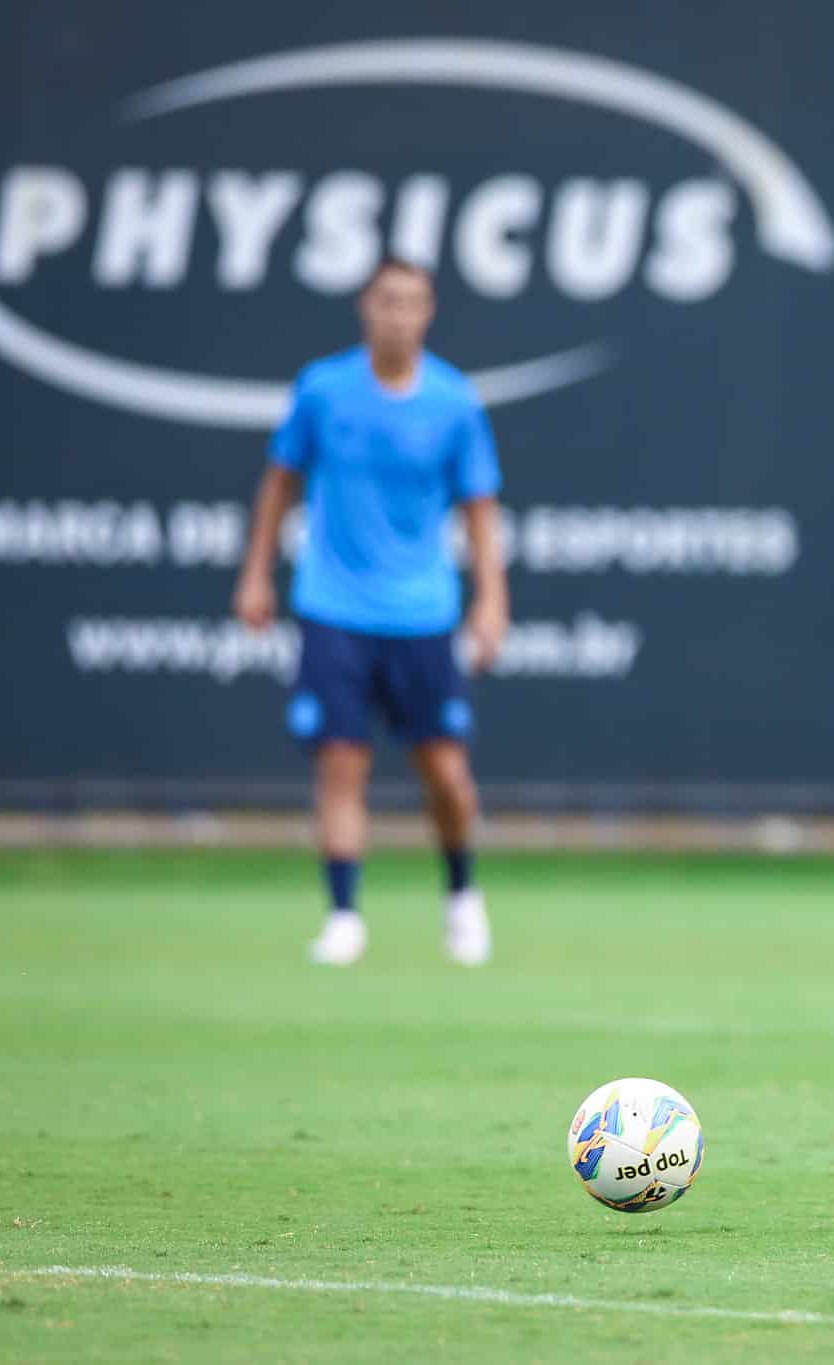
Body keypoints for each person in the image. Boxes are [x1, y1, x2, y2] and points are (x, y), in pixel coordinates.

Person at [233, 256, 508, 968]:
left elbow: (479, 511)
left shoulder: (453, 402)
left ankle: (461, 895)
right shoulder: (323, 390)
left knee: (446, 772)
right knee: (340, 766)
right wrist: (257, 572)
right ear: (365, 307)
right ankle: (345, 914)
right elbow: (279, 482)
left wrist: (492, 598)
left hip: (423, 613)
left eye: (411, 302)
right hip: (333, 607)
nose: (398, 314)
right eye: (387, 300)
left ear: (429, 311)